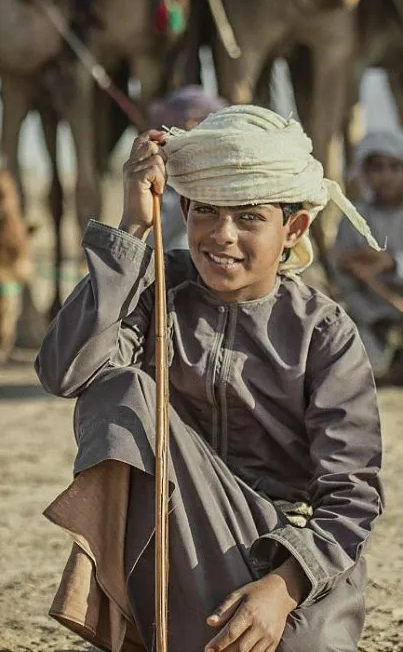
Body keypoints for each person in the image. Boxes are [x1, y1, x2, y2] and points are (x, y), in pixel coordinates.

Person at [35, 106, 383, 652]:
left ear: (294, 228)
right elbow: (67, 371)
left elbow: (353, 496)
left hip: (286, 558)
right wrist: (131, 230)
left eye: (249, 218)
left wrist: (282, 587)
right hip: (172, 547)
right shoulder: (156, 293)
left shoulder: (323, 332)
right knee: (123, 391)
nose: (221, 236)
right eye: (204, 212)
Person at [333, 129, 403, 384]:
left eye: (395, 167)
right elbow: (345, 285)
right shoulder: (353, 219)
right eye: (378, 168)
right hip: (373, 321)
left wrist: (392, 263)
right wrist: (374, 320)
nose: (387, 176)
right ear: (365, 173)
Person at [147, 86, 227, 251]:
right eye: (182, 122)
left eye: (198, 119)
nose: (190, 125)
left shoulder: (218, 180)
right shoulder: (161, 177)